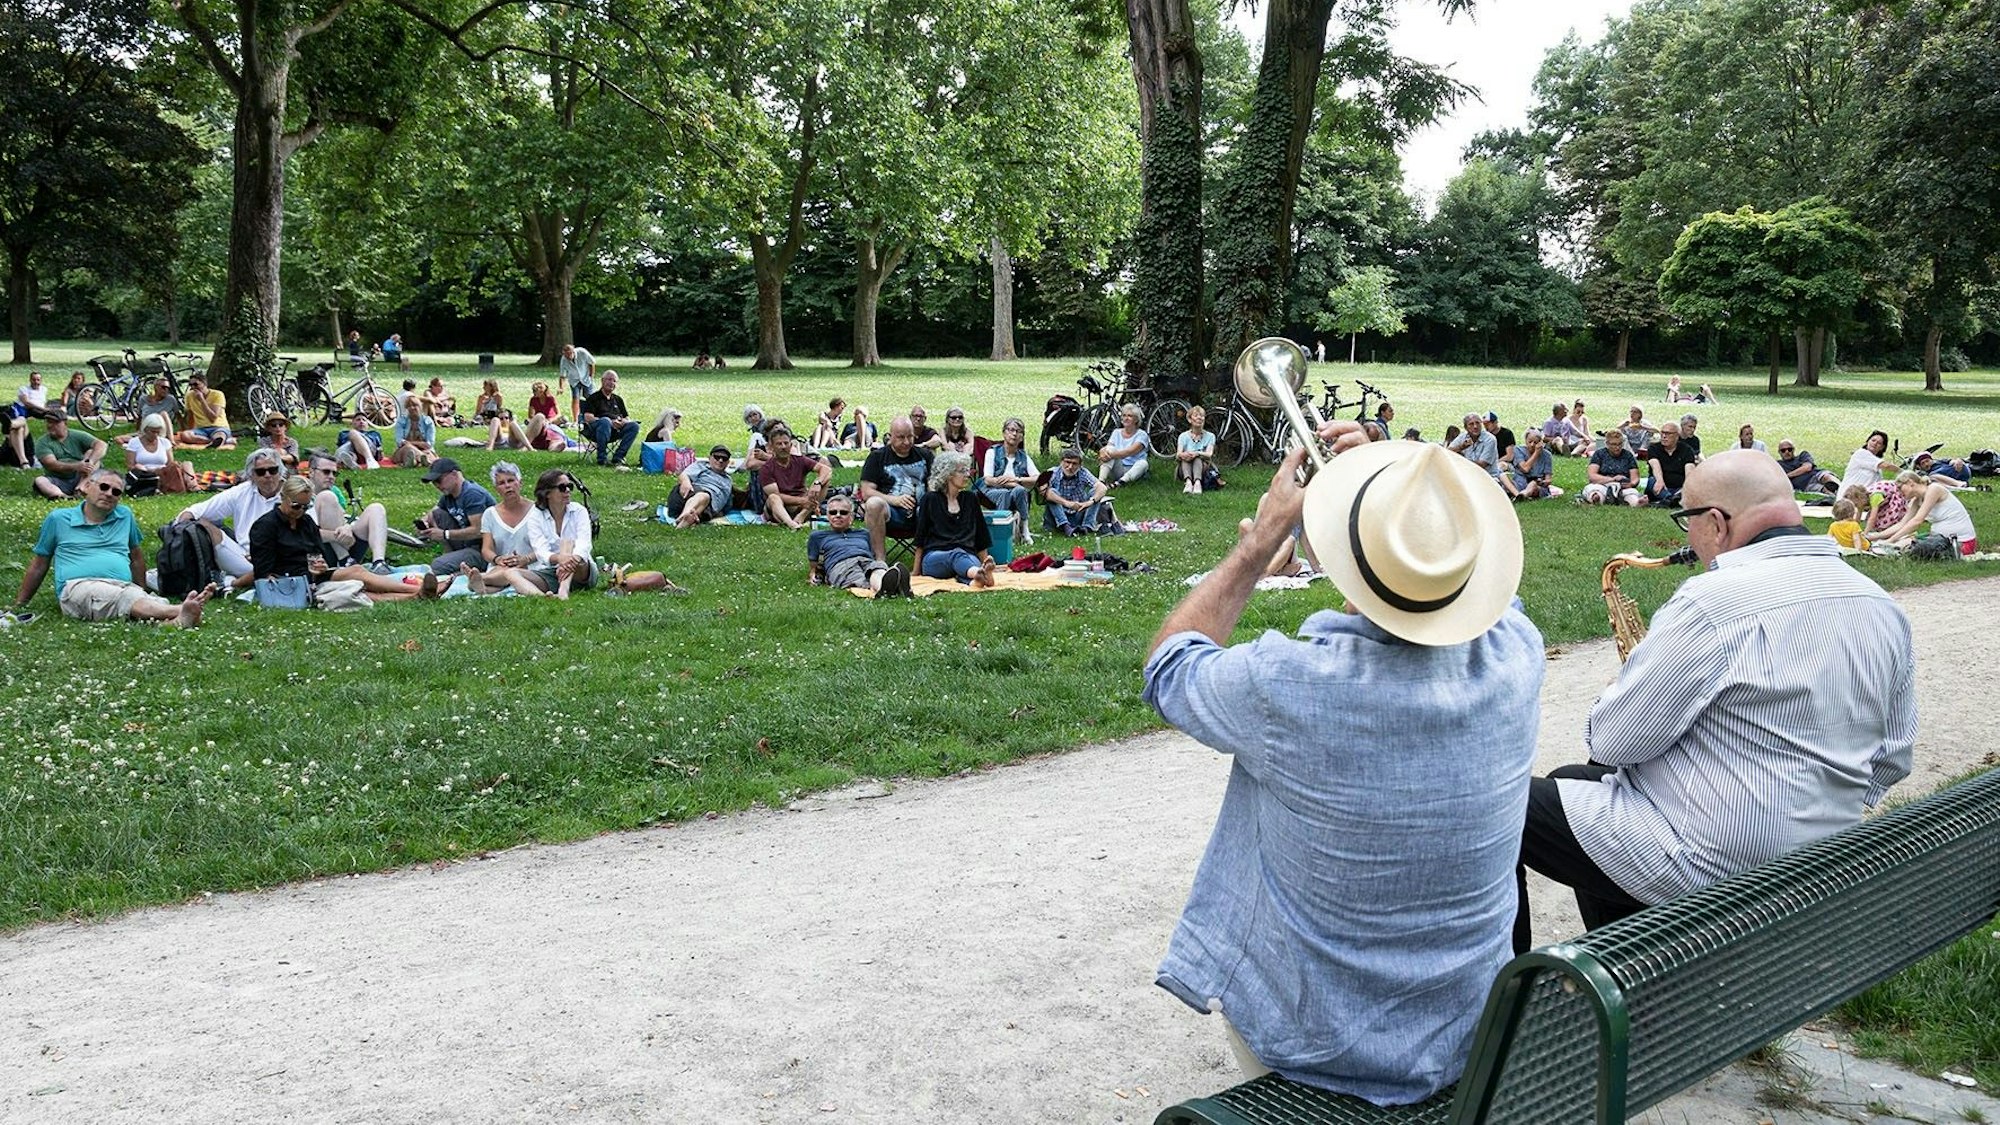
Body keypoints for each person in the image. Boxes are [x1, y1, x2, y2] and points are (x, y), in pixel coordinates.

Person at [1145, 432, 1539, 1103]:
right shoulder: (1517, 655)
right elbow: (1489, 591)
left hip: (1317, 1046)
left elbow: (1168, 664)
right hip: (1462, 1031)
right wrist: (1402, 481)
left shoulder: (1288, 683)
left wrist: (1260, 542)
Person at [1516, 449, 1914, 952]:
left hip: (1710, 862)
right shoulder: (1878, 603)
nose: (1689, 539)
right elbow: (1893, 757)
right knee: (1575, 782)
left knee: (1494, 805)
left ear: (1717, 523)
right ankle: (1635, 971)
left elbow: (1614, 742)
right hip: (1819, 859)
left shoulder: (1713, 602)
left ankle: (1502, 1004)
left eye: (1688, 521)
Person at [14, 469, 212, 626]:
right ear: (87, 486)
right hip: (77, 587)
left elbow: (136, 558)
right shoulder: (58, 519)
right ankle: (178, 610)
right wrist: (20, 604)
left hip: (121, 586)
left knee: (133, 601)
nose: (109, 494)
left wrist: (140, 589)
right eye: (104, 487)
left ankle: (173, 622)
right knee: (123, 599)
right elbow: (40, 564)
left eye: (116, 492)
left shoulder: (124, 516)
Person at [245, 475, 436, 602]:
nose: (301, 511)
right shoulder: (265, 526)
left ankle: (419, 595)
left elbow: (316, 551)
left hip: (312, 575)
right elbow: (263, 571)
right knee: (357, 575)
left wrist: (319, 564)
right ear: (283, 498)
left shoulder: (306, 522)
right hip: (291, 582)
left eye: (306, 505)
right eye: (296, 506)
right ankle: (415, 592)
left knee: (356, 585)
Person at [175, 447, 289, 579]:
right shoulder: (242, 492)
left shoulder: (292, 494)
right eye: (261, 472)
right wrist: (179, 528)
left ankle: (228, 579)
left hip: (281, 559)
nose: (268, 475)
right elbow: (198, 511)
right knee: (203, 524)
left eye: (273, 470)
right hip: (243, 555)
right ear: (251, 475)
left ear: (280, 472)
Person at [455, 462, 549, 596]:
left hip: (532, 565)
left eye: (511, 481)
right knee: (503, 572)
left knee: (512, 574)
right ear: (496, 489)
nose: (507, 486)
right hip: (501, 567)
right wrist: (497, 559)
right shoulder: (490, 514)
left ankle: (480, 578)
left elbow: (547, 545)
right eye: (501, 483)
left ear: (520, 483)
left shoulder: (538, 511)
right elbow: (486, 549)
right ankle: (482, 587)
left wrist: (526, 559)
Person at [914, 451, 996, 587]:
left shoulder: (970, 498)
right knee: (957, 555)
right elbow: (920, 538)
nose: (967, 475)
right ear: (948, 474)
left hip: (967, 556)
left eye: (967, 470)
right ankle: (979, 574)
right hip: (935, 558)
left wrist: (985, 560)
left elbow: (981, 536)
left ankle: (974, 582)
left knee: (964, 560)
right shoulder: (930, 499)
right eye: (962, 471)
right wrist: (916, 572)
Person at [860, 417, 934, 560]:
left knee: (934, 503)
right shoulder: (877, 458)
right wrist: (895, 500)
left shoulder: (925, 456)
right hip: (891, 513)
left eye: (910, 436)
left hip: (922, 513)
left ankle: (929, 559)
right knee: (873, 504)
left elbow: (935, 486)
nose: (906, 442)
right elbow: (866, 492)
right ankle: (880, 560)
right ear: (890, 436)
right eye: (901, 437)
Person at [304, 452, 392, 572]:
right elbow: (300, 534)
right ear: (311, 472)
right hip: (319, 553)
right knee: (326, 496)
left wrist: (347, 527)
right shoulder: (300, 495)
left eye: (335, 473)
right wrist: (337, 536)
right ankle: (344, 560)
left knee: (376, 508)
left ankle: (379, 563)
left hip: (348, 547)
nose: (331, 476)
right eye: (326, 472)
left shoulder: (334, 492)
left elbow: (341, 519)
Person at [809, 493, 910, 596]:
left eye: (843, 512)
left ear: (851, 517)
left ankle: (885, 586)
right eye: (833, 512)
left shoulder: (863, 534)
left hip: (865, 560)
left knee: (877, 567)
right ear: (827, 516)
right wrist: (813, 574)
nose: (838, 515)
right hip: (840, 564)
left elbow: (872, 554)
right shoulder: (817, 536)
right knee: (857, 577)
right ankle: (890, 588)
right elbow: (814, 566)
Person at [416, 457, 495, 575]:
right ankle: (454, 560)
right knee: (437, 515)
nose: (436, 485)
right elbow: (435, 511)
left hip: (484, 549)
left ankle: (471, 568)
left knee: (437, 566)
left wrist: (444, 534)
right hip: (466, 544)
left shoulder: (472, 494)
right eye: (434, 482)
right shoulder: (449, 494)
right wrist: (425, 522)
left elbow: (478, 531)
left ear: (454, 475)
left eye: (439, 480)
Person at [525, 468, 594, 598]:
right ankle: (544, 597)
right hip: (552, 570)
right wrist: (559, 559)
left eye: (569, 486)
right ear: (547, 493)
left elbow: (584, 543)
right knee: (511, 574)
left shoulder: (579, 511)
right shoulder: (535, 516)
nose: (567, 490)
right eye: (562, 487)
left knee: (567, 543)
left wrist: (569, 559)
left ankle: (563, 590)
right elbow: (540, 550)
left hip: (581, 569)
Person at [1876, 469, 1979, 556]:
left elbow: (1917, 521)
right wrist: (1876, 536)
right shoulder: (1917, 500)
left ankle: (1889, 548)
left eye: (1900, 487)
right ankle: (1885, 547)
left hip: (1960, 543)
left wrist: (1890, 540)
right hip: (1940, 539)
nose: (1899, 492)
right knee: (1906, 540)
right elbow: (1903, 524)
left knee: (1910, 545)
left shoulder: (1934, 489)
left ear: (1910, 483)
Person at [758, 423, 830, 530]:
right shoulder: (766, 468)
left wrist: (817, 483)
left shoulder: (799, 460)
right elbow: (777, 495)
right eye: (779, 444)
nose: (783, 447)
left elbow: (826, 469)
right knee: (773, 498)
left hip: (803, 507)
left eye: (786, 443)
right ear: (771, 447)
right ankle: (791, 524)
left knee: (825, 480)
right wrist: (803, 501)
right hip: (780, 509)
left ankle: (801, 517)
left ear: (791, 445)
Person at [981, 417, 1037, 547]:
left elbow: (1037, 478)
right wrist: (1009, 483)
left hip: (1015, 490)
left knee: (1021, 490)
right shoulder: (992, 452)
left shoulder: (1023, 456)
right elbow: (988, 480)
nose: (1014, 434)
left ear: (1022, 437)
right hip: (991, 490)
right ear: (1004, 433)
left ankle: (1025, 529)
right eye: (1011, 430)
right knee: (1004, 493)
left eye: (1018, 431)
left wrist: (1017, 480)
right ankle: (1002, 532)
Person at [33, 408, 107, 500]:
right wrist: (76, 466)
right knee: (40, 480)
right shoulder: (43, 442)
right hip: (59, 479)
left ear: (65, 424)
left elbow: (101, 445)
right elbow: (51, 464)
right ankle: (61, 496)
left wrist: (90, 463)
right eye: (48, 422)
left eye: (55, 422)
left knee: (92, 453)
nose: (50, 425)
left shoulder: (77, 435)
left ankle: (80, 488)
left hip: (83, 476)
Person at [1041, 446, 1117, 536]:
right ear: (1061, 462)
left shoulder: (1083, 472)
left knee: (1095, 492)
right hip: (1056, 516)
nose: (1070, 467)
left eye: (1074, 464)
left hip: (1078, 512)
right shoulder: (1052, 472)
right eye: (1067, 462)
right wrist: (1067, 503)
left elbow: (1102, 488)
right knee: (1051, 492)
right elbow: (1042, 490)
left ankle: (1087, 527)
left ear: (1080, 465)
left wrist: (1090, 502)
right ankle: (1065, 526)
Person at [669, 445, 736, 528]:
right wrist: (685, 482)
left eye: (724, 458)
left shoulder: (728, 480)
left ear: (728, 462)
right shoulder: (701, 466)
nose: (720, 460)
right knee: (704, 496)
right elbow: (684, 475)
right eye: (717, 457)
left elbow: (727, 502)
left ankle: (684, 523)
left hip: (709, 509)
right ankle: (684, 515)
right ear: (709, 458)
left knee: (700, 507)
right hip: (688, 493)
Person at [122, 413, 190, 494]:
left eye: (158, 432)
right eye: (153, 431)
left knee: (186, 464)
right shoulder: (134, 442)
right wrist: (148, 470)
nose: (155, 435)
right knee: (138, 467)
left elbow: (170, 464)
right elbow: (130, 466)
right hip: (145, 474)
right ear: (145, 429)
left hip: (164, 473)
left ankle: (193, 486)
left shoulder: (165, 442)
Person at [1581, 428, 1645, 506]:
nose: (1617, 447)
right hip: (1602, 484)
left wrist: (1631, 484)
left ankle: (1634, 502)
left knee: (1632, 495)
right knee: (1593, 490)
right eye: (1614, 444)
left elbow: (1635, 477)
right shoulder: (1599, 454)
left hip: (1623, 486)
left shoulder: (1628, 455)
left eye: (1620, 444)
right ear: (1607, 444)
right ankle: (1599, 498)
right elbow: (1592, 476)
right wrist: (1612, 479)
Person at [1642, 420, 1697, 506]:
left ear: (1677, 436)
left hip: (1678, 487)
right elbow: (1655, 466)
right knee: (1652, 481)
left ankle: (1669, 500)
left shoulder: (1687, 450)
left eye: (1668, 434)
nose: (1664, 436)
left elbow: (1689, 471)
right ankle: (1671, 500)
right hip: (1659, 485)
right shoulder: (1654, 448)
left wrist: (1686, 488)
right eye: (1662, 433)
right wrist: (1660, 481)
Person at [1097, 405, 1152, 486]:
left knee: (1143, 463)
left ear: (1136, 419)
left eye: (1130, 416)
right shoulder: (1116, 432)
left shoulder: (1142, 435)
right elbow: (1108, 448)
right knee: (1109, 449)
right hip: (1118, 467)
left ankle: (1118, 484)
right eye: (1124, 415)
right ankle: (1100, 482)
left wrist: (1108, 454)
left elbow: (1129, 452)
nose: (1126, 418)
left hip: (1134, 468)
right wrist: (1103, 452)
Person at [175, 374, 233, 449]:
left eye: (196, 384)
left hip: (218, 427)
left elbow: (213, 417)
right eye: (190, 385)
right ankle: (213, 441)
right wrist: (189, 430)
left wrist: (202, 400)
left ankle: (217, 440)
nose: (193, 387)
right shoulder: (189, 396)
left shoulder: (217, 395)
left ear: (204, 384)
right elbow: (190, 416)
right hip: (201, 430)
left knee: (220, 434)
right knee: (185, 435)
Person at [1502, 428, 1554, 501]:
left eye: (1535, 442)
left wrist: (1544, 482)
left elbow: (1548, 478)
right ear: (1525, 441)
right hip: (1519, 483)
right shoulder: (1518, 450)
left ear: (1540, 443)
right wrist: (1536, 454)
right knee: (1503, 476)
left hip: (1536, 486)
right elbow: (1525, 468)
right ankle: (1518, 495)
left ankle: (1523, 495)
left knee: (1533, 484)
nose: (1532, 445)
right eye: (1530, 442)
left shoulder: (1547, 455)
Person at [1176, 405, 1216, 495]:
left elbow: (1209, 454)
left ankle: (1197, 483)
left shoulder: (1211, 436)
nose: (1199, 418)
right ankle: (1188, 482)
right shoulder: (1183, 436)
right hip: (1184, 467)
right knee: (1186, 458)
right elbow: (1178, 454)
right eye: (1196, 415)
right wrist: (1185, 455)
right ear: (1190, 419)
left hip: (1203, 467)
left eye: (1202, 416)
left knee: (1197, 458)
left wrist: (1197, 453)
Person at [1775, 440, 1839, 494]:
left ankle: (1842, 488)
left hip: (1816, 474)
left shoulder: (1803, 455)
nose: (1787, 452)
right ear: (1779, 452)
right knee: (1826, 490)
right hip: (1806, 485)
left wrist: (1787, 475)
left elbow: (1807, 468)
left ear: (1793, 450)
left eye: (1789, 449)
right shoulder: (1777, 464)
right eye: (1783, 450)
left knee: (1827, 477)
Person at [390, 394, 437, 467]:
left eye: (415, 405)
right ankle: (422, 459)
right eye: (409, 406)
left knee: (427, 452)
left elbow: (429, 444)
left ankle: (414, 462)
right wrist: (419, 444)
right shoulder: (401, 421)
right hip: (406, 450)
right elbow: (399, 442)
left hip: (425, 450)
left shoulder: (428, 421)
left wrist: (410, 443)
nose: (412, 408)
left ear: (420, 406)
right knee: (408, 449)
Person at [1448, 413, 1498, 480]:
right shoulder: (1463, 436)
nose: (1475, 426)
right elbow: (1447, 451)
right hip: (1468, 475)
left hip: (1487, 477)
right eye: (1471, 424)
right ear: (1466, 428)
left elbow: (1481, 465)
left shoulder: (1490, 439)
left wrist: (1460, 460)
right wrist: (1461, 447)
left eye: (1477, 423)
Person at [1841, 430, 1891, 495]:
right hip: (1848, 498)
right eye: (1873, 440)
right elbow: (1886, 466)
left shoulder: (1878, 470)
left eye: (1879, 443)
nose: (1875, 443)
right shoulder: (1861, 453)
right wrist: (1902, 472)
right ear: (1868, 441)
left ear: (1882, 447)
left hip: (1862, 500)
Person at [558, 342, 596, 423]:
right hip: (574, 380)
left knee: (590, 397)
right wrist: (561, 387)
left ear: (573, 351)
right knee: (575, 398)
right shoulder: (563, 359)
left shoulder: (582, 352)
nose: (568, 357)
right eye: (566, 355)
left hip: (586, 378)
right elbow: (562, 375)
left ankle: (593, 416)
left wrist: (591, 376)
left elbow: (592, 363)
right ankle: (576, 420)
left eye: (569, 354)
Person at [524, 381, 566, 449]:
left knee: (564, 418)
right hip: (539, 419)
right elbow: (530, 415)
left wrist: (550, 420)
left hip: (551, 420)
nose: (533, 393)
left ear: (541, 391)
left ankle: (556, 446)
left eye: (535, 391)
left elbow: (558, 413)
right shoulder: (533, 399)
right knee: (534, 419)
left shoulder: (550, 399)